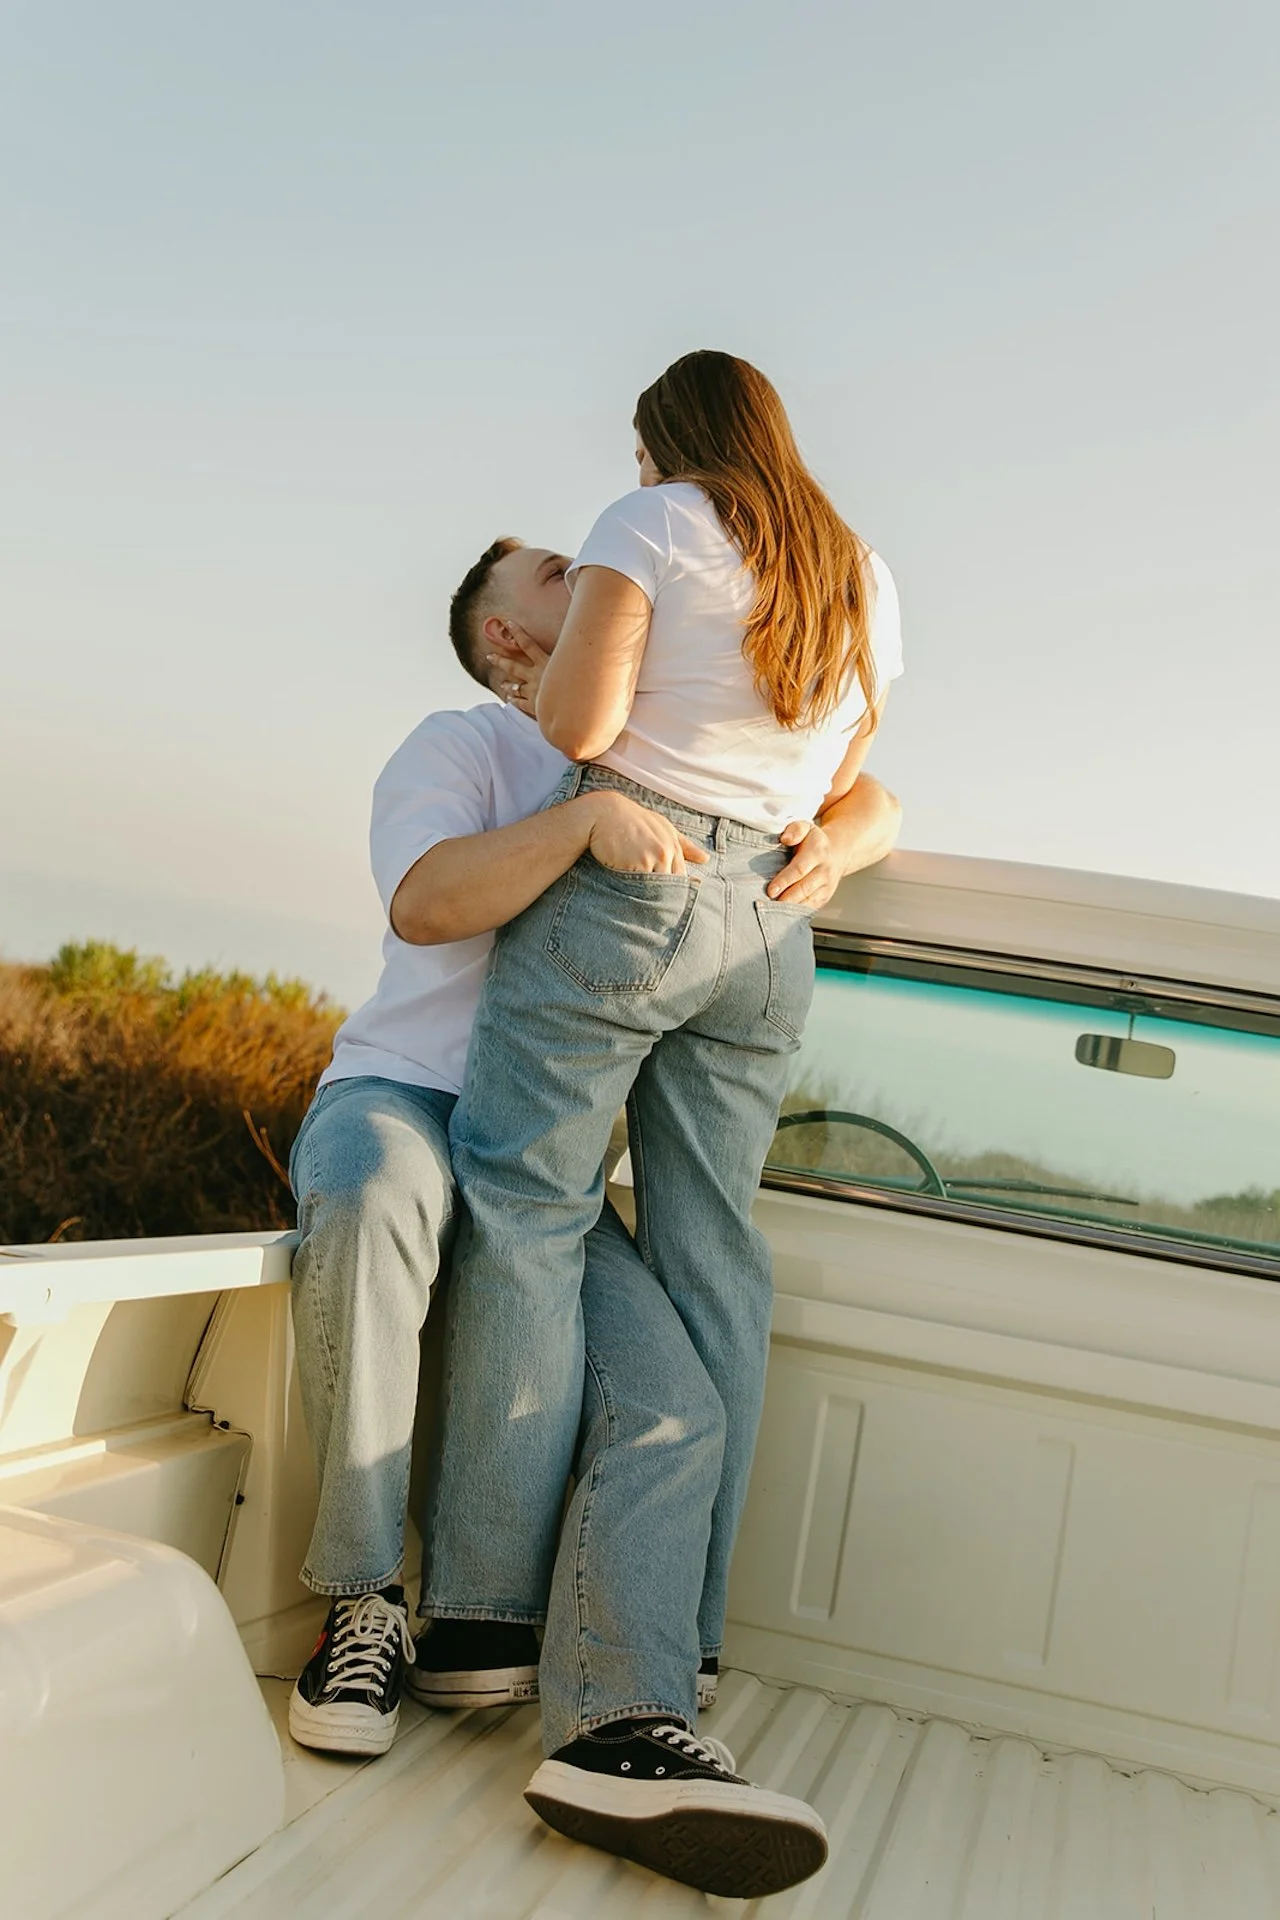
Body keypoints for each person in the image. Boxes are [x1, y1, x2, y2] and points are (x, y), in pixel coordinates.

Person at [285, 529, 902, 1776]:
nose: (601, 580)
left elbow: (863, 782)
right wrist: (580, 832)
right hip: (407, 1096)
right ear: (507, 644)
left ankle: (632, 1663)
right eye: (559, 578)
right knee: (366, 1203)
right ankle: (360, 1605)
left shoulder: (661, 739)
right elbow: (423, 901)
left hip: (547, 1162)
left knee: (672, 1398)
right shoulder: (464, 745)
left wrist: (849, 837)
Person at [419, 352, 904, 1897]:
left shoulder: (659, 519)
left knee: (527, 1205)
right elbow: (857, 777)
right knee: (712, 1256)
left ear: (663, 439)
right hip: (773, 921)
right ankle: (681, 1636)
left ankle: (489, 1617)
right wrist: (830, 830)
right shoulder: (861, 573)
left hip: (631, 888)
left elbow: (582, 723)